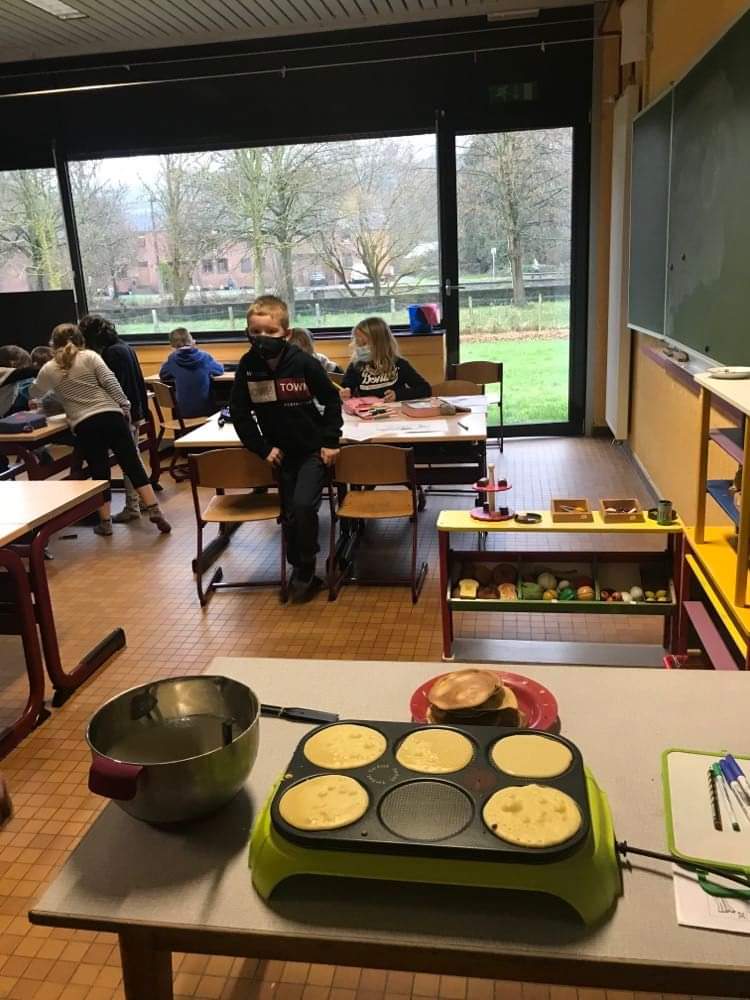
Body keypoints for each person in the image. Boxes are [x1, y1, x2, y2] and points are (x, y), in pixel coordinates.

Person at [229, 295, 342, 602]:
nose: (262, 338)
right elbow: (239, 411)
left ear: (286, 334)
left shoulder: (303, 363)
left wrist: (330, 440)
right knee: (290, 514)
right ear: (248, 332)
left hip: (311, 450)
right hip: (280, 454)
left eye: (271, 332)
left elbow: (332, 400)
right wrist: (262, 448)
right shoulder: (248, 366)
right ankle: (298, 567)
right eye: (256, 332)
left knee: (304, 507)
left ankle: (306, 569)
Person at [31, 325, 171, 537]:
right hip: (111, 416)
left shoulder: (48, 368)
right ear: (81, 339)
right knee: (132, 464)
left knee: (100, 472)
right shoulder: (90, 356)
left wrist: (49, 394)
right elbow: (110, 381)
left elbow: (35, 392)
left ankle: (105, 523)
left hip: (85, 424)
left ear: (53, 343)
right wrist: (125, 405)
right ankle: (154, 510)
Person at [79, 314, 151, 524]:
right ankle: (143, 501)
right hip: (134, 409)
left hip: (123, 413)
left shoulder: (112, 354)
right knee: (132, 458)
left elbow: (114, 386)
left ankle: (132, 506)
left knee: (128, 461)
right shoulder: (124, 346)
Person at [341, 317, 431, 401]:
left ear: (380, 343)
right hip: (367, 410)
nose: (360, 348)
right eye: (358, 343)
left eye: (364, 343)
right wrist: (345, 392)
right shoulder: (356, 366)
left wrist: (398, 395)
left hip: (395, 410)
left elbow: (424, 389)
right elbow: (345, 388)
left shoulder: (399, 364)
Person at [159, 327, 224, 418]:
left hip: (183, 413)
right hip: (206, 412)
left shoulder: (173, 358)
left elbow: (163, 374)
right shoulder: (204, 357)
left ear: (172, 345)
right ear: (191, 340)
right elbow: (219, 370)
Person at [0, 346, 36, 417]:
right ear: (13, 363)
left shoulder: (11, 380)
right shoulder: (4, 372)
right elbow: (27, 372)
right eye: (25, 365)